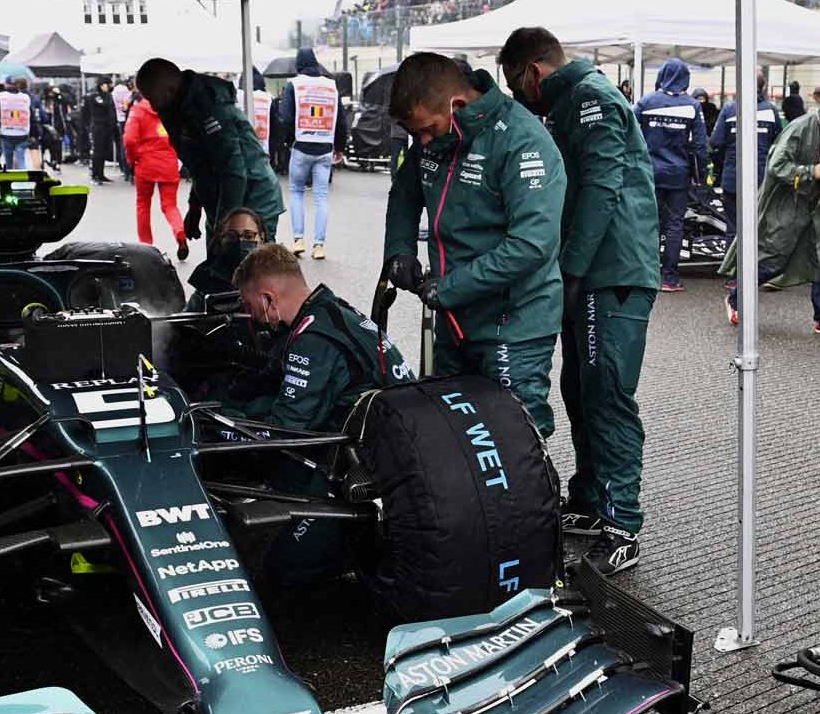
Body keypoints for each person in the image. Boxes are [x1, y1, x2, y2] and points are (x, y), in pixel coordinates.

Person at [502, 27, 659, 574]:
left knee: (607, 391)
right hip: (596, 270)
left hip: (610, 272)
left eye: (516, 86)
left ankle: (623, 524)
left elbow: (600, 187)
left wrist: (570, 269)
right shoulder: (575, 98)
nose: (520, 99)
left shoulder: (590, 98)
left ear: (533, 71)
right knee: (580, 387)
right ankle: (593, 499)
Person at [381, 52, 567, 436]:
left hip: (515, 323)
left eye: (427, 130)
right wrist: (399, 249)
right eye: (415, 134)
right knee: (453, 430)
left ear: (458, 105)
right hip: (452, 319)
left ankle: (532, 499)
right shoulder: (435, 136)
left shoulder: (523, 140)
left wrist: (449, 287)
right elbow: (404, 193)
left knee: (515, 434)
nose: (423, 142)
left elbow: (532, 245)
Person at [229, 244, 411, 584]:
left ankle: (362, 546)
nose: (249, 313)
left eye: (248, 303)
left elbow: (286, 431)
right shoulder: (331, 309)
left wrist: (225, 426)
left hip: (372, 464)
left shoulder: (314, 340)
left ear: (268, 298)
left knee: (283, 569)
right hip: (388, 437)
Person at [718, 85, 820, 335]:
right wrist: (810, 171)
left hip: (818, 205)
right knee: (772, 260)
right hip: (787, 206)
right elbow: (777, 165)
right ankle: (736, 299)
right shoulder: (800, 127)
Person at [137, 57, 285, 244]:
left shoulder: (210, 108)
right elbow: (200, 164)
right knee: (218, 264)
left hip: (253, 196)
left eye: (152, 97)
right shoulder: (178, 109)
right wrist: (195, 207)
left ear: (170, 89)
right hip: (223, 198)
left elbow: (233, 172)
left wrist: (224, 226)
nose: (151, 105)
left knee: (252, 266)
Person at [636, 57, 709, 294]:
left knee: (649, 223)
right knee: (675, 224)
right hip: (679, 174)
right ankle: (670, 277)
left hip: (650, 172)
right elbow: (700, 145)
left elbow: (631, 134)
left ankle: (647, 275)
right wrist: (701, 177)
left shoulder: (646, 102)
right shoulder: (693, 106)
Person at [708, 70, 785, 254]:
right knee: (760, 227)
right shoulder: (771, 111)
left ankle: (734, 277)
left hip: (733, 177)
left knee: (733, 228)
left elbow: (715, 143)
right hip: (762, 179)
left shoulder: (729, 109)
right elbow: (779, 144)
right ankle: (759, 273)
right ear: (763, 87)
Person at [279, 47, 340, 260]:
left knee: (296, 192)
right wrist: (339, 147)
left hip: (301, 146)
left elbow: (285, 118)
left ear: (299, 65)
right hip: (325, 148)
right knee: (321, 196)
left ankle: (298, 240)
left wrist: (288, 142)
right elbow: (340, 120)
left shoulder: (294, 85)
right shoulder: (332, 86)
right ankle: (319, 245)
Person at [123, 92, 188, 259]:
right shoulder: (172, 110)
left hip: (145, 163)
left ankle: (146, 246)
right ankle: (179, 232)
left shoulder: (138, 110)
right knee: (170, 205)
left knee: (143, 204)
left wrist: (132, 159)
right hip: (168, 163)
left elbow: (130, 139)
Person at [188, 207, 263, 309]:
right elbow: (188, 317)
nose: (240, 241)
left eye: (248, 236)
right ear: (221, 240)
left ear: (262, 237)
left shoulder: (277, 274)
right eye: (231, 236)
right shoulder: (209, 278)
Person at [83, 76, 122, 184]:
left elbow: (112, 109)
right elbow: (103, 104)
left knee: (104, 151)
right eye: (107, 84)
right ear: (101, 85)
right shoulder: (95, 96)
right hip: (98, 127)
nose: (109, 87)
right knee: (98, 152)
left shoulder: (108, 96)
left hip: (108, 127)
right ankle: (95, 175)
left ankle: (101, 174)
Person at [0, 78, 33, 170]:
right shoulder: (26, 98)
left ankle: (9, 180)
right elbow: (30, 114)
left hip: (6, 133)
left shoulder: (0, 97)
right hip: (22, 133)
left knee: (8, 161)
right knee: (21, 159)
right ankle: (24, 181)